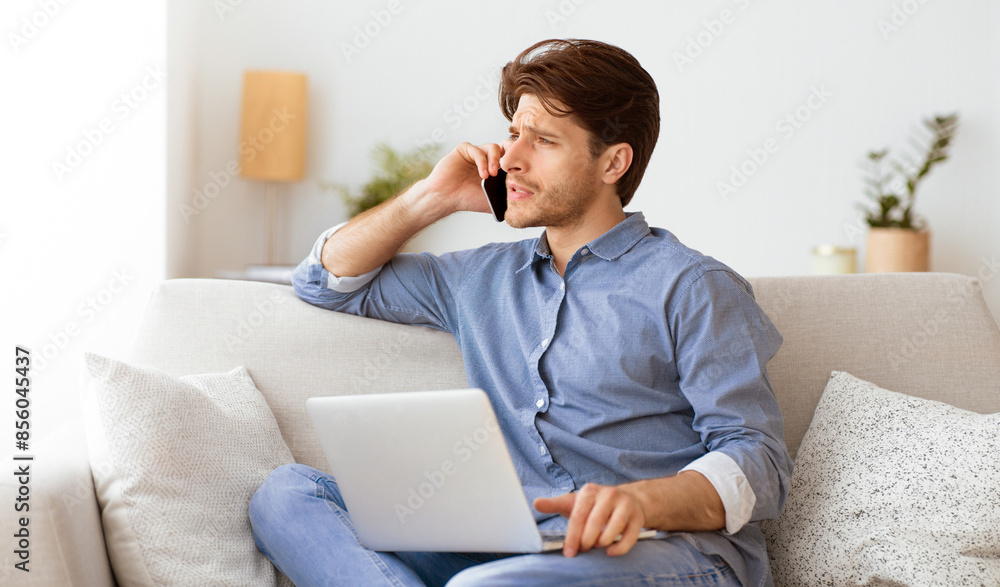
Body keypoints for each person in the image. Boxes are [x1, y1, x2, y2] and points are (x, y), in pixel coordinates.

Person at [250, 38, 793, 587]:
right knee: (288, 494)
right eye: (514, 134)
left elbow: (760, 460)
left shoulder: (693, 286)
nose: (510, 158)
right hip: (516, 547)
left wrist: (643, 502)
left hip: (668, 553)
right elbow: (324, 282)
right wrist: (430, 199)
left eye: (544, 140)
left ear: (613, 162)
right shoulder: (479, 278)